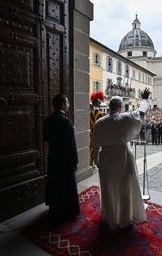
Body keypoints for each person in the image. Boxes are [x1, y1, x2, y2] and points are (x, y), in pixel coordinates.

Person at [93, 88, 151, 230]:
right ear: (120, 107)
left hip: (106, 157)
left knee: (108, 186)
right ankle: (124, 218)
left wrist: (96, 160)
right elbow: (141, 112)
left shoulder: (100, 122)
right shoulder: (126, 117)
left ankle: (110, 217)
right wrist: (144, 99)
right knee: (124, 186)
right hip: (123, 156)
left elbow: (95, 144)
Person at [43, 94, 80, 225]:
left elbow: (46, 137)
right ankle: (67, 211)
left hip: (54, 157)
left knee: (55, 183)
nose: (69, 104)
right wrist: (75, 161)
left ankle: (55, 209)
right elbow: (71, 145)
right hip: (65, 159)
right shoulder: (66, 121)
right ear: (63, 104)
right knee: (66, 184)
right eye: (67, 102)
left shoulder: (48, 119)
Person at [89, 91, 104, 167]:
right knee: (96, 148)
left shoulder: (90, 112)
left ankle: (91, 163)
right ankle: (95, 163)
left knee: (91, 147)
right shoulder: (100, 113)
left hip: (91, 133)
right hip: (97, 133)